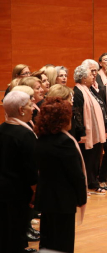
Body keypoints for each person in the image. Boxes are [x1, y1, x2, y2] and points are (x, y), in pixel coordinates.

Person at [33, 97, 87, 253]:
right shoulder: (64, 142)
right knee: (63, 242)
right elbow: (75, 174)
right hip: (63, 200)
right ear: (62, 119)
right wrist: (81, 197)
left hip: (46, 197)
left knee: (48, 239)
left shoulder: (41, 138)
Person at [0, 91, 38, 253]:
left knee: (5, 228)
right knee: (17, 228)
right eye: (30, 105)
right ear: (22, 109)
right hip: (18, 191)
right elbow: (31, 169)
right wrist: (36, 191)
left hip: (3, 189)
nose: (33, 109)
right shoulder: (25, 135)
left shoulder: (2, 128)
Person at [73, 64, 107, 194]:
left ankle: (93, 182)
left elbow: (101, 106)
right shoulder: (77, 92)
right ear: (83, 78)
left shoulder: (91, 89)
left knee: (95, 159)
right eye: (90, 74)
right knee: (87, 159)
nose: (94, 75)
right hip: (86, 133)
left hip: (96, 131)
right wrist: (82, 132)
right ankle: (85, 185)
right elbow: (77, 114)